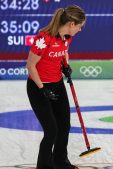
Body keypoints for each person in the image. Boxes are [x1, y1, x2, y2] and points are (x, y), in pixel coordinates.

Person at [26, 5, 86, 169]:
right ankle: (44, 165)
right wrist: (42, 88)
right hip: (38, 87)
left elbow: (64, 51)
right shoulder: (43, 38)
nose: (80, 30)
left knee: (64, 126)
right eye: (80, 26)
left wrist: (65, 65)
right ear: (72, 24)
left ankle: (60, 161)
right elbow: (30, 65)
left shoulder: (67, 37)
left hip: (57, 84)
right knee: (52, 130)